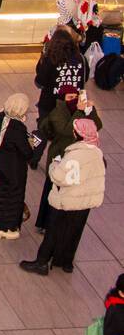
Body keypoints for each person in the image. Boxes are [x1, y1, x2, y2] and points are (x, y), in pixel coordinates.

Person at [21, 112, 106, 275]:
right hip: (85, 203)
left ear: (78, 134)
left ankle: (42, 262)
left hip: (67, 201)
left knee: (53, 232)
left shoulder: (75, 155)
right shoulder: (97, 153)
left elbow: (60, 177)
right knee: (74, 232)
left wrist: (55, 165)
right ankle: (66, 262)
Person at [0, 94, 34, 239]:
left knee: (3, 188)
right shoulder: (16, 127)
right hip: (14, 166)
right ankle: (5, 227)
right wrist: (33, 144)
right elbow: (26, 152)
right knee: (14, 196)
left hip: (0, 160)